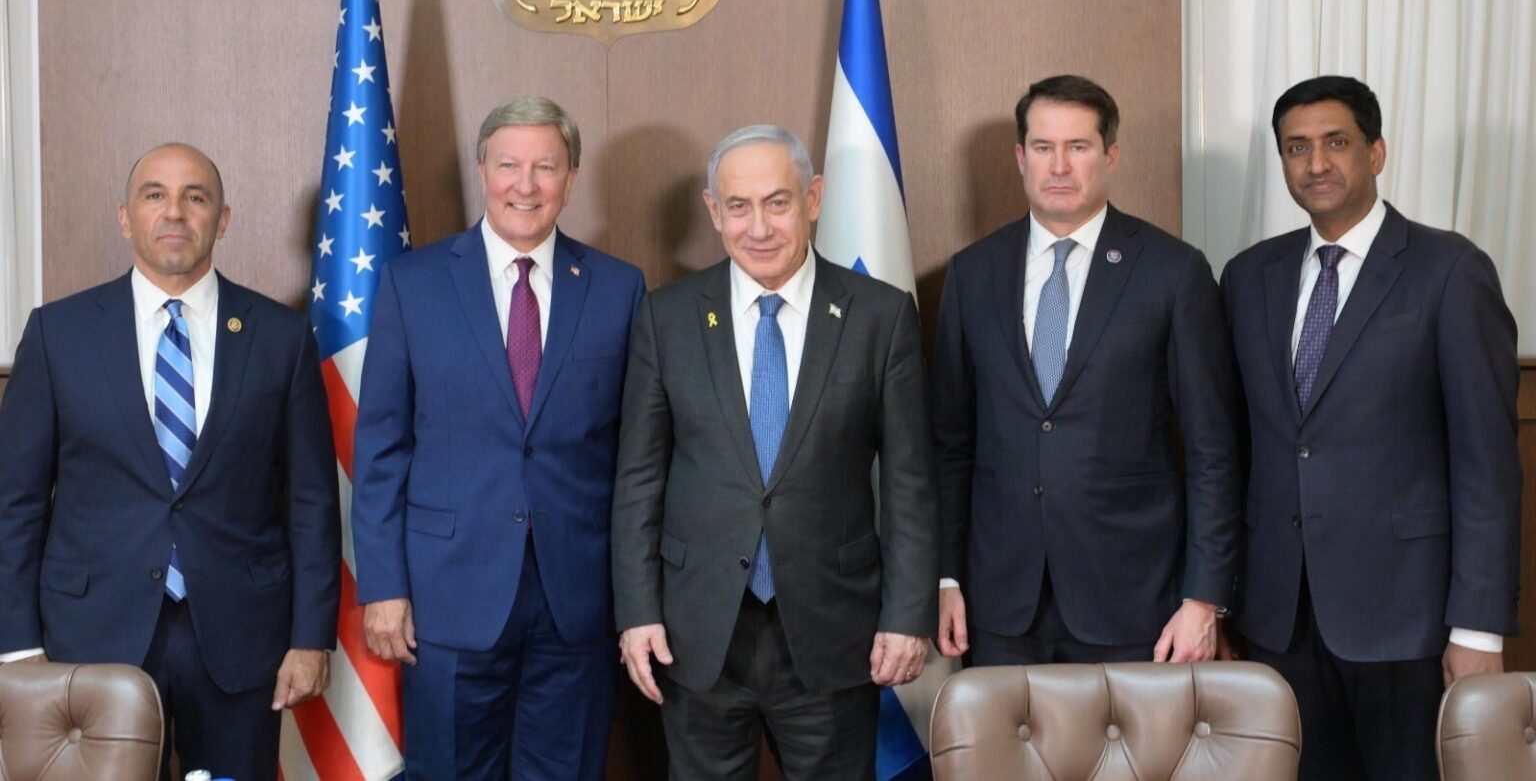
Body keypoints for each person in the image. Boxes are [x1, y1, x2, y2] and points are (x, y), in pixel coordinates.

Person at [0, 143, 340, 780]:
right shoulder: (58, 333)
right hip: (91, 636)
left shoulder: (280, 336)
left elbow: (311, 502)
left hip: (243, 637)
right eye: (154, 195)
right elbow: (14, 503)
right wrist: (17, 645)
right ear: (125, 217)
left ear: (223, 219)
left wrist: (310, 636)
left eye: (195, 197)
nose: (175, 212)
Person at [612, 124, 938, 780]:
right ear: (714, 211)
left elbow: (910, 481)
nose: (758, 227)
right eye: (738, 206)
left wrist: (908, 615)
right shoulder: (667, 317)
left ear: (813, 198)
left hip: (833, 631)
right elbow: (639, 480)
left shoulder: (880, 316)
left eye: (777, 202)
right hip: (698, 633)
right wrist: (637, 612)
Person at [1222, 75, 1520, 781]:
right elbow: (1231, 451)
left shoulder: (1450, 270)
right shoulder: (1247, 276)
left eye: (1336, 142)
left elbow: (1486, 464)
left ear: (1376, 152)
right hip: (1278, 621)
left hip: (1407, 620)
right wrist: (1224, 602)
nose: (1316, 163)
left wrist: (1478, 627)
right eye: (1297, 147)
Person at [351, 97, 645, 780]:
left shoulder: (618, 288)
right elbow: (382, 449)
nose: (526, 185)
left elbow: (638, 457)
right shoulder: (413, 283)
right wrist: (383, 585)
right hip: (447, 597)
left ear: (571, 179)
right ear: (482, 170)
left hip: (578, 598)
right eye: (509, 165)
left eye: (546, 167)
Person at [930, 75, 1240, 667]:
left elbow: (1212, 450)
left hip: (1134, 600)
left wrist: (1204, 598)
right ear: (1020, 157)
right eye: (1043, 147)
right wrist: (947, 576)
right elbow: (949, 444)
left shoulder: (1172, 272)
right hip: (999, 605)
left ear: (1111, 155)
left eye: (1078, 146)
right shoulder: (972, 274)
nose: (1059, 166)